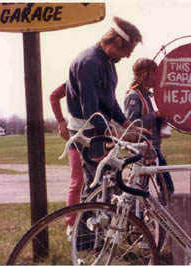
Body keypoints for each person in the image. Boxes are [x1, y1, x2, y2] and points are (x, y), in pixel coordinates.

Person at [66, 16, 151, 204]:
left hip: (98, 125)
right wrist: (115, 132)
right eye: (128, 50)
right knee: (96, 184)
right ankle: (84, 232)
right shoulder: (89, 63)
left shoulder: (108, 63)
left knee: (109, 180)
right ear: (118, 41)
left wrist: (128, 125)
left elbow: (110, 102)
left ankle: (101, 229)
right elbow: (90, 110)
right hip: (86, 128)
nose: (129, 56)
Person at [124, 58, 175, 198]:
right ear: (144, 74)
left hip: (153, 148)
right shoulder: (134, 96)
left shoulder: (146, 96)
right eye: (154, 73)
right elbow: (132, 123)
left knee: (154, 187)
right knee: (163, 187)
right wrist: (155, 115)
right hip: (143, 150)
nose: (157, 77)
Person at [49, 83, 84, 240]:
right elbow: (54, 96)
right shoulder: (74, 79)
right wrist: (61, 121)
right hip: (77, 133)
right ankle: (71, 224)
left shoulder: (103, 74)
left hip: (99, 133)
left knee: (100, 180)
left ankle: (94, 226)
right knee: (77, 180)